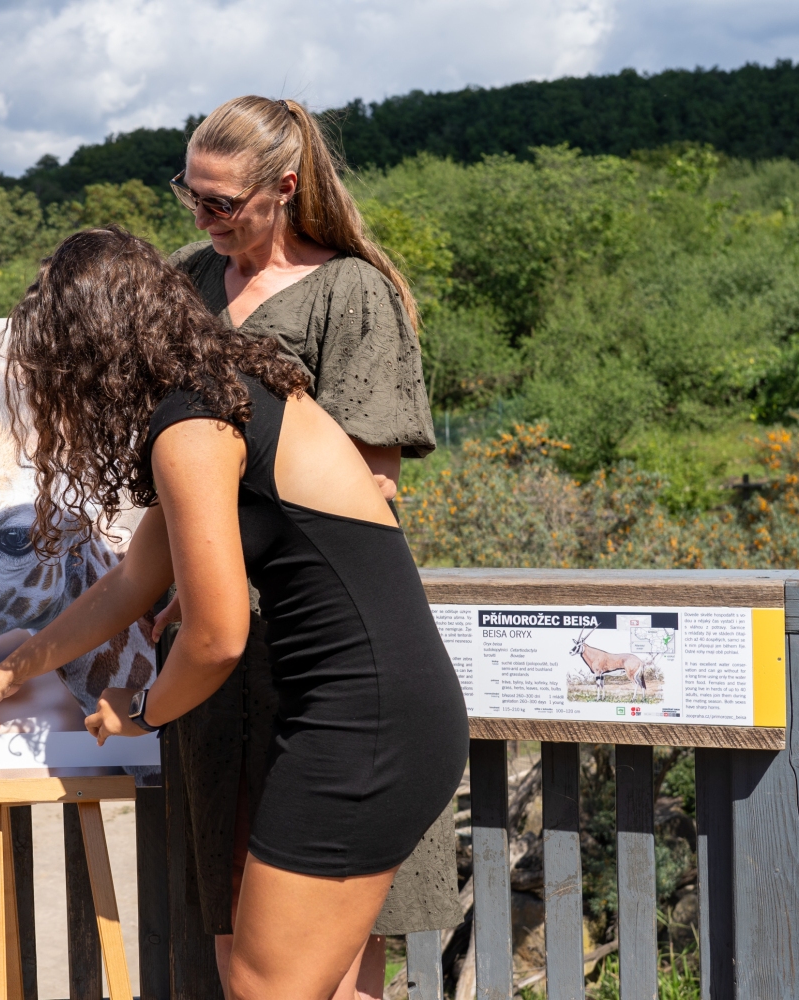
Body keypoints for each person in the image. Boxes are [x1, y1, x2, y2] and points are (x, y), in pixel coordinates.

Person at [0, 227, 469, 1000]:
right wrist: (10, 667)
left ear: (97, 351)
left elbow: (217, 636)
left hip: (364, 721)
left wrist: (143, 714)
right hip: (376, 710)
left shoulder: (193, 426)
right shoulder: (217, 396)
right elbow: (132, 583)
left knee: (267, 988)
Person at [162, 95, 459, 999]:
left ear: (284, 188)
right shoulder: (182, 283)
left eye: (223, 201)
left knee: (335, 963)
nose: (205, 218)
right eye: (191, 195)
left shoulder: (352, 292)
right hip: (218, 660)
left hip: (323, 656)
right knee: (232, 926)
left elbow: (372, 489)